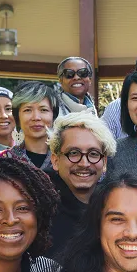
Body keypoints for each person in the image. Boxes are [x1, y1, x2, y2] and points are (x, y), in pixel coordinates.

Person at [45, 111, 117, 260]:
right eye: (74, 153)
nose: (84, 163)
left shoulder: (113, 206)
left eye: (93, 154)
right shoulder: (40, 209)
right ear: (55, 160)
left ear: (104, 163)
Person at [11, 81, 59, 171]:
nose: (36, 117)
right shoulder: (1, 160)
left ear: (54, 116)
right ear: (17, 117)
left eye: (43, 110)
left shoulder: (65, 160)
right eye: (28, 110)